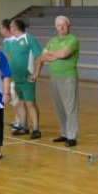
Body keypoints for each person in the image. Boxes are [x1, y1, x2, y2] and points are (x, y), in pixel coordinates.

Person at [34, 15, 80, 147]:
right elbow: (43, 57)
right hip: (54, 77)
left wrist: (52, 54)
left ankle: (72, 136)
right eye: (59, 25)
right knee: (59, 106)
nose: (61, 27)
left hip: (68, 76)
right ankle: (64, 133)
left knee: (70, 107)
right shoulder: (52, 40)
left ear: (68, 26)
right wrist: (57, 55)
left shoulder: (73, 39)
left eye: (64, 24)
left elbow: (64, 54)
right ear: (56, 27)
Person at [5, 19, 43, 138]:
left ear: (15, 27)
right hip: (15, 78)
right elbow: (6, 57)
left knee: (30, 103)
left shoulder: (28, 38)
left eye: (11, 26)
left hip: (27, 78)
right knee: (20, 103)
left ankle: (36, 129)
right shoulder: (10, 41)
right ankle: (23, 126)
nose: (9, 28)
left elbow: (39, 56)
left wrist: (36, 73)